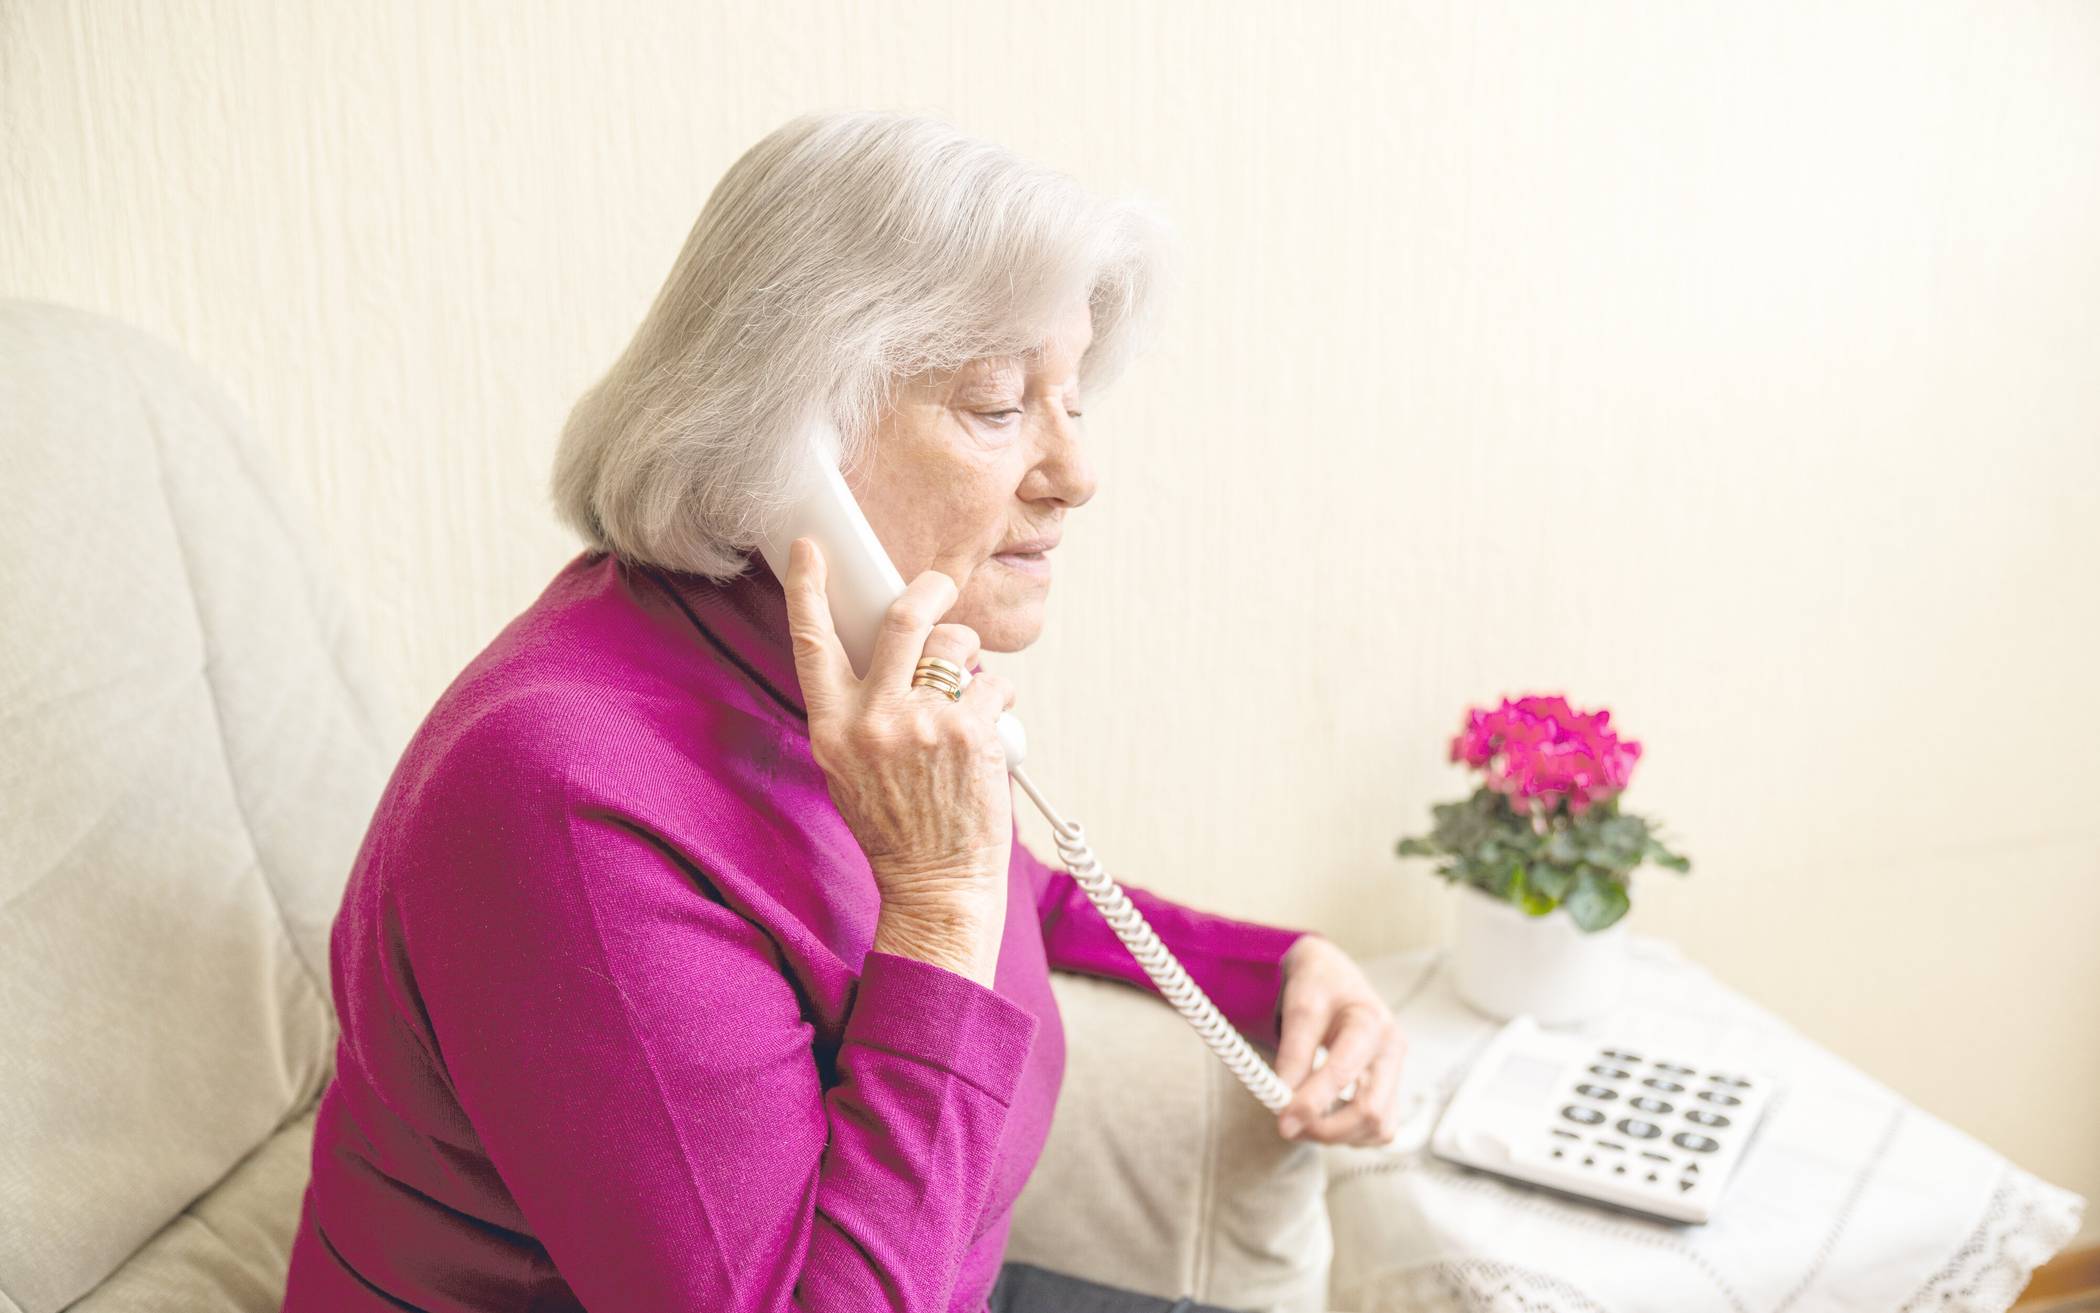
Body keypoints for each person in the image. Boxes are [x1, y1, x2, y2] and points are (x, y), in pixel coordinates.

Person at [283, 108, 1406, 1313]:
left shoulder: (824, 681)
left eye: (1073, 397)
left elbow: (1015, 892)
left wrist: (1272, 966)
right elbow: (941, 905)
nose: (1076, 473)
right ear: (785, 444)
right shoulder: (557, 801)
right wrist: (935, 903)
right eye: (994, 404)